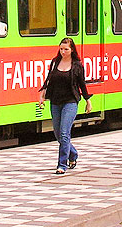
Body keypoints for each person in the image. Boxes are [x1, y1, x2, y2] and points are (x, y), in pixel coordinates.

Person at [38, 37, 92, 174]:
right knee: (58, 134)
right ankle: (72, 154)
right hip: (55, 101)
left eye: (66, 49)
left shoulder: (77, 65)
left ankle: (62, 164)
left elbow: (82, 84)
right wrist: (42, 94)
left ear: (72, 49)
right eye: (61, 49)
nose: (63, 51)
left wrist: (87, 100)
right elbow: (49, 78)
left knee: (64, 132)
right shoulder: (55, 62)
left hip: (70, 102)